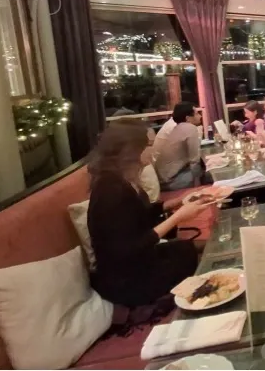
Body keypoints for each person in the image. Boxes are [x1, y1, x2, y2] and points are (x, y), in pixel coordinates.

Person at [87, 120, 213, 307]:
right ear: (130, 151)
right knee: (185, 257)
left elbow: (140, 214)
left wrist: (179, 201)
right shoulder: (110, 191)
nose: (153, 148)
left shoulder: (121, 179)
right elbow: (131, 247)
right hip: (127, 280)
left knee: (184, 249)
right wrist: (178, 217)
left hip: (138, 263)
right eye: (147, 144)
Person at [154, 102, 203, 190]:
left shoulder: (177, 128)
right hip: (171, 182)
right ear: (187, 118)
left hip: (163, 179)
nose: (200, 116)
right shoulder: (190, 128)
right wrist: (198, 186)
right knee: (206, 175)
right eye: (196, 113)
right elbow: (194, 160)